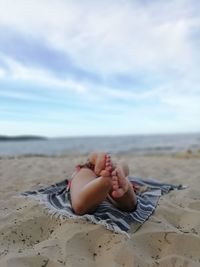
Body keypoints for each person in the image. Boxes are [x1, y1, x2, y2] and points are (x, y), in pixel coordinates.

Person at [69, 152, 137, 215]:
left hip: (88, 168)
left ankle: (106, 179)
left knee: (80, 206)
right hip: (105, 170)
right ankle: (117, 168)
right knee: (130, 206)